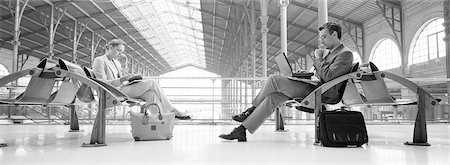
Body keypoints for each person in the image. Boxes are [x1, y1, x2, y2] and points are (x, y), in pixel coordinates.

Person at [219, 22, 353, 141]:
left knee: (273, 79)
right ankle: (241, 131)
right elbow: (321, 74)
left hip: (322, 92)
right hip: (314, 87)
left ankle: (250, 110)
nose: (321, 40)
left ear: (335, 34)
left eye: (324, 37)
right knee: (272, 98)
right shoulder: (330, 53)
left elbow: (328, 76)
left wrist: (318, 58)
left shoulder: (345, 54)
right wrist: (305, 75)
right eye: (320, 37)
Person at [92, 39, 191, 120]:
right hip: (112, 92)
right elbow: (102, 83)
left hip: (123, 89)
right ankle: (171, 109)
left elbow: (121, 79)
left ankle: (159, 120)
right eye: (118, 50)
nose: (120, 54)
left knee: (151, 94)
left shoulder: (116, 63)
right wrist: (122, 79)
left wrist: (130, 78)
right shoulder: (100, 60)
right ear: (110, 48)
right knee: (152, 82)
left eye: (121, 52)